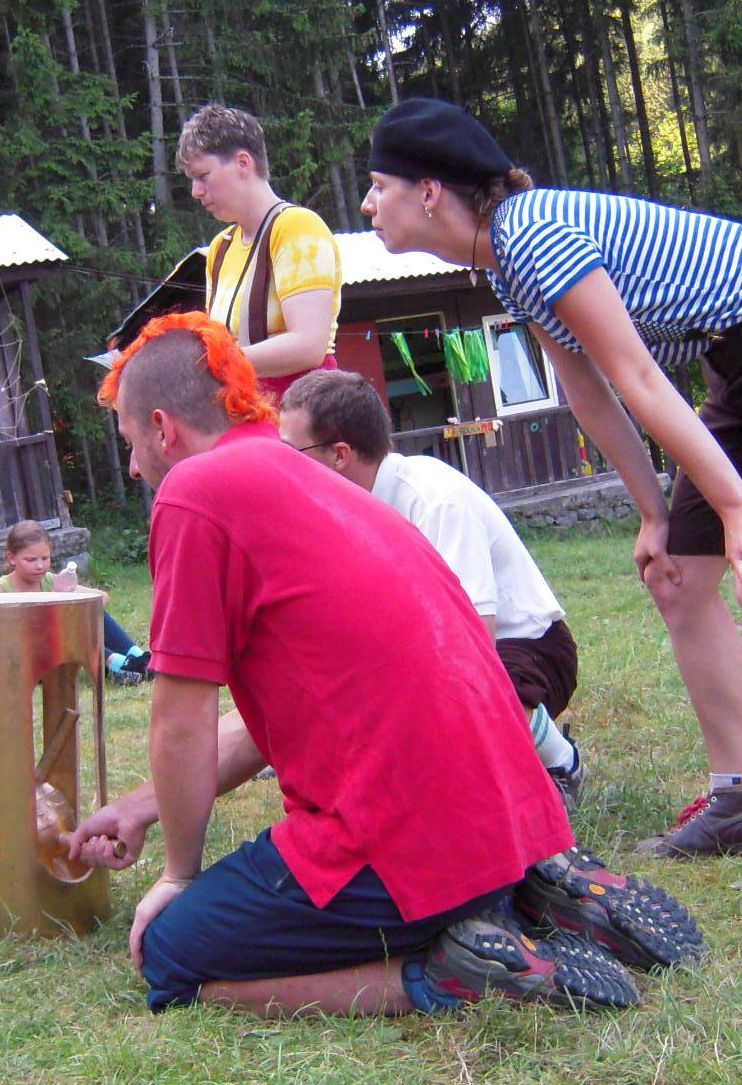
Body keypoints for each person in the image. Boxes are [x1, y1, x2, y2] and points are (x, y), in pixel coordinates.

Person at [361, 96, 742, 939]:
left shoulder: (533, 232)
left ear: (429, 191)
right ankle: (739, 801)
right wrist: (654, 514)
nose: (367, 203)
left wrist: (738, 510)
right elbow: (589, 391)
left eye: (378, 185)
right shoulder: (507, 261)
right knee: (680, 581)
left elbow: (639, 377)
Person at [69, 312, 705, 1017]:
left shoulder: (196, 491)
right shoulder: (319, 478)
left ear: (163, 428)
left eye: (129, 442)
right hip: (511, 823)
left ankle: (447, 975)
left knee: (171, 952)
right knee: (437, 873)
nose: (134, 468)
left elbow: (180, 718)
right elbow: (291, 716)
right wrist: (142, 806)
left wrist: (178, 876)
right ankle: (528, 892)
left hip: (402, 849)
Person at [279, 369, 585, 801]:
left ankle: (560, 762)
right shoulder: (348, 507)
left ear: (340, 454)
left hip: (526, 649)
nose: (282, 465)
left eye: (291, 452)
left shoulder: (434, 500)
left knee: (442, 722)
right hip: (444, 650)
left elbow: (474, 638)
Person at [176, 104, 342, 400]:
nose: (195, 191)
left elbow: (309, 346)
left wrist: (212, 364)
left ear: (243, 163)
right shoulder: (220, 248)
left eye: (203, 175)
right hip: (247, 410)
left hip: (306, 412)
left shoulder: (296, 226)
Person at [0, 520, 151, 685]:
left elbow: (102, 598)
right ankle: (119, 664)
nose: (39, 566)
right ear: (12, 558)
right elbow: (3, 638)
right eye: (30, 560)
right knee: (63, 625)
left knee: (92, 611)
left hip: (59, 653)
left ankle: (139, 658)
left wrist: (70, 595)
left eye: (45, 558)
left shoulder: (50, 581)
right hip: (25, 662)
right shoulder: (0, 589)